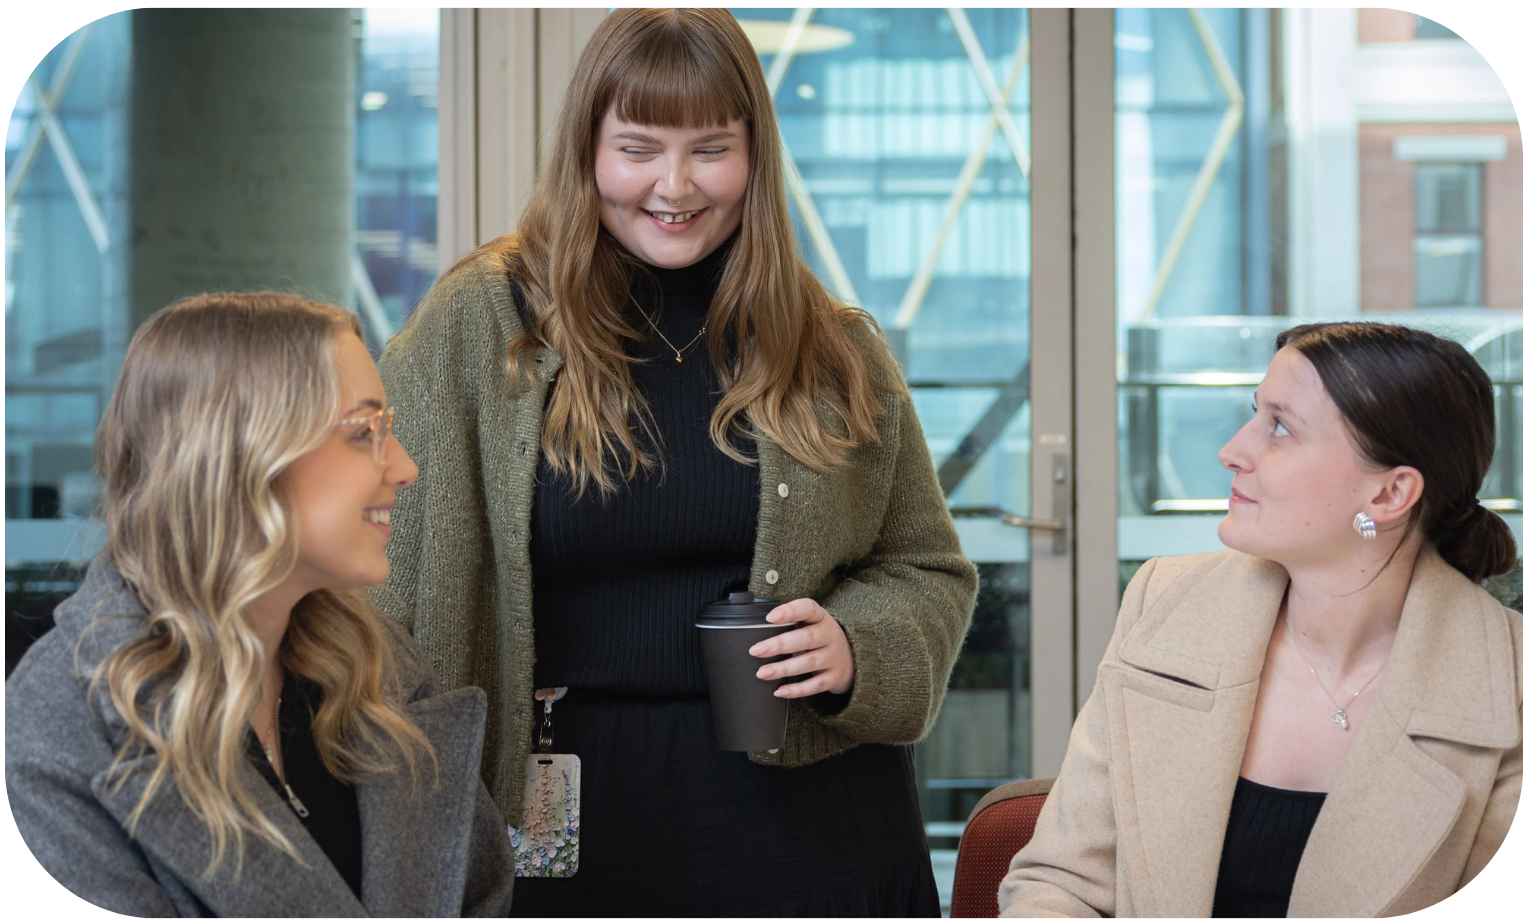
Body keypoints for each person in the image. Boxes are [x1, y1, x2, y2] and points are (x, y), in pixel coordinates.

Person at [377, 6, 977, 917]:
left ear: (755, 156)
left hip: (811, 813)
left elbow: (926, 568)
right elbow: (378, 562)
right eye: (638, 147)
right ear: (587, 151)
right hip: (560, 811)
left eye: (710, 148)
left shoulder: (833, 346)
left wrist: (858, 644)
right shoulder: (482, 324)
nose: (674, 185)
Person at [5, 293, 515, 917]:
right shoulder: (58, 726)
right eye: (363, 433)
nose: (405, 467)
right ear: (243, 460)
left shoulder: (382, 665)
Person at [999, 322, 1522, 918]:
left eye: (1280, 426)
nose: (1233, 451)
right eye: (1256, 414)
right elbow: (1062, 883)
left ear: (1388, 494)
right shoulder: (1164, 603)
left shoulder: (1508, 684)